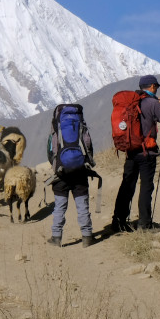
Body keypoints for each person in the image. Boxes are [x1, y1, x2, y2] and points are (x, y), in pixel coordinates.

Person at [111, 74, 160, 232]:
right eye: (156, 87)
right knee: (146, 187)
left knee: (127, 186)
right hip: (147, 152)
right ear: (152, 86)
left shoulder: (131, 103)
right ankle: (144, 225)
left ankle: (118, 222)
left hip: (131, 151)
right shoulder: (152, 103)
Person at [46, 104, 97, 248]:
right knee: (82, 206)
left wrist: (56, 166)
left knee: (60, 206)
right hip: (79, 171)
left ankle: (56, 237)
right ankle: (87, 237)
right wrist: (87, 161)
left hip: (62, 172)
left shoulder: (56, 128)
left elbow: (50, 150)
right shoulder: (80, 125)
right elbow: (88, 144)